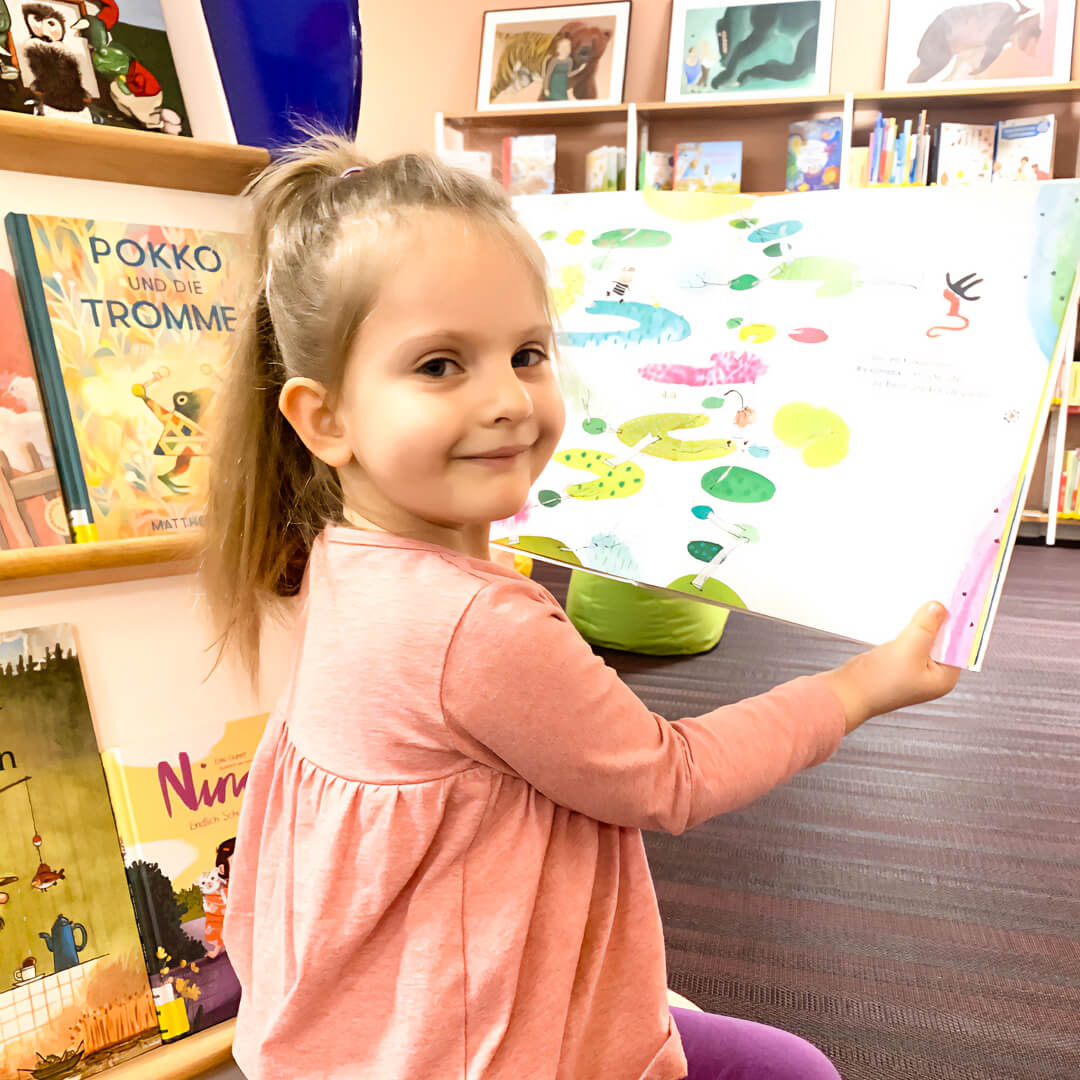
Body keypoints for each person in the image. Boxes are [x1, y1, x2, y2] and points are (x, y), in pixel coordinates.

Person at [204, 131, 960, 1080]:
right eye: (440, 365)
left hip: (376, 1018)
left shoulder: (347, 559)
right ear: (326, 419)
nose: (509, 401)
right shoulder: (477, 628)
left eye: (526, 353)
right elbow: (671, 777)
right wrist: (856, 688)